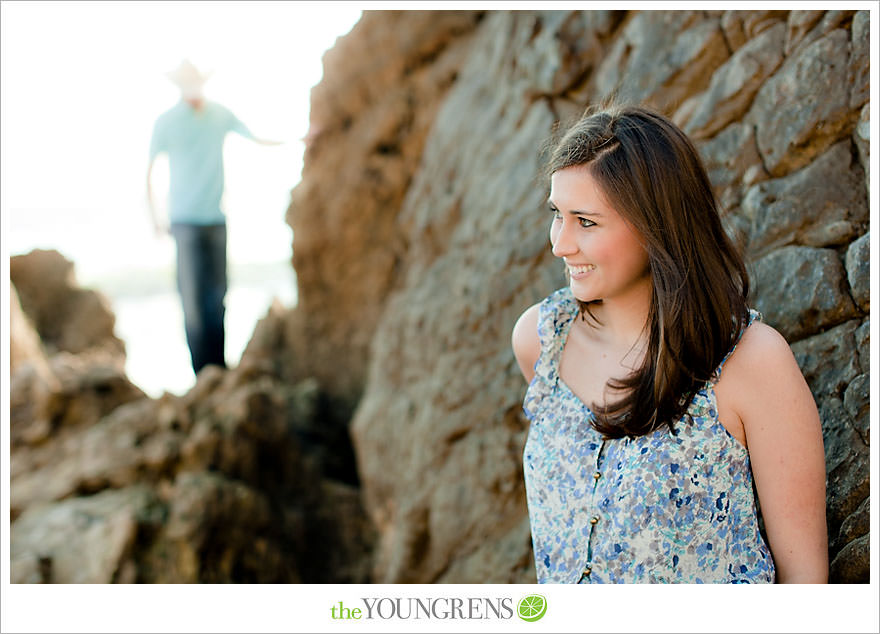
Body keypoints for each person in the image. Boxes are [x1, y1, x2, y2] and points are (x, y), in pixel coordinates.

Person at [511, 103, 828, 584]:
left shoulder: (749, 363)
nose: (560, 243)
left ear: (655, 225)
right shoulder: (540, 341)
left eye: (586, 221)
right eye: (558, 214)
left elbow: (805, 584)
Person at [146, 59, 282, 375]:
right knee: (192, 303)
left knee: (217, 299)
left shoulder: (220, 114)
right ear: (179, 86)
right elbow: (148, 171)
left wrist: (301, 138)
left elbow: (257, 136)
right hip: (183, 222)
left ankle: (218, 370)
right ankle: (201, 375)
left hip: (216, 219)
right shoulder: (166, 122)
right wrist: (154, 217)